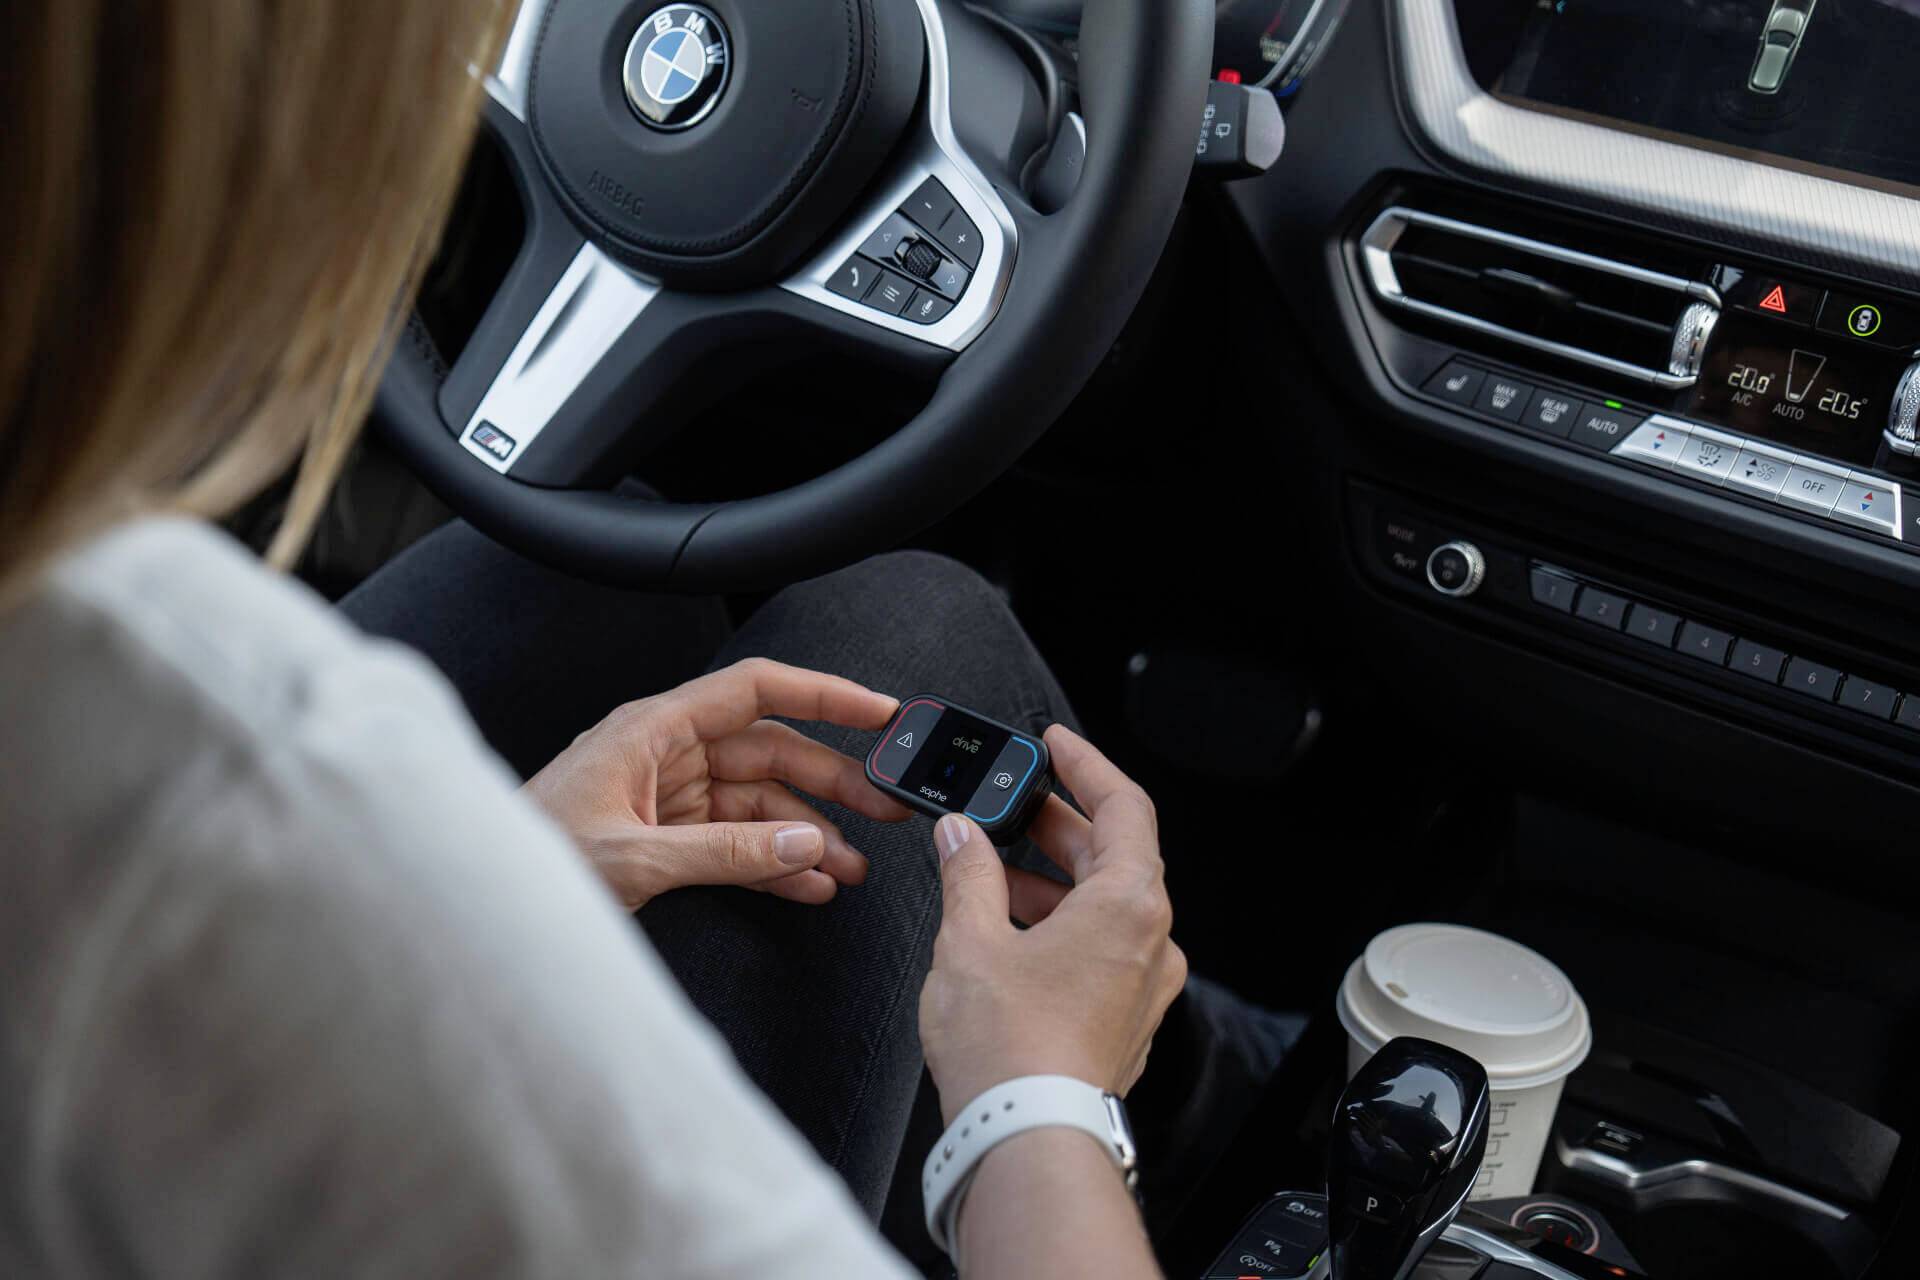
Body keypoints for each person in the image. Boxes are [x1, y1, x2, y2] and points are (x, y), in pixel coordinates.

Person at [0, 4, 1270, 1277]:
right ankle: (1195, 1104)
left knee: (561, 580)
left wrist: (512, 855)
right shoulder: (230, 765)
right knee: (904, 627)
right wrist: (1036, 1100)